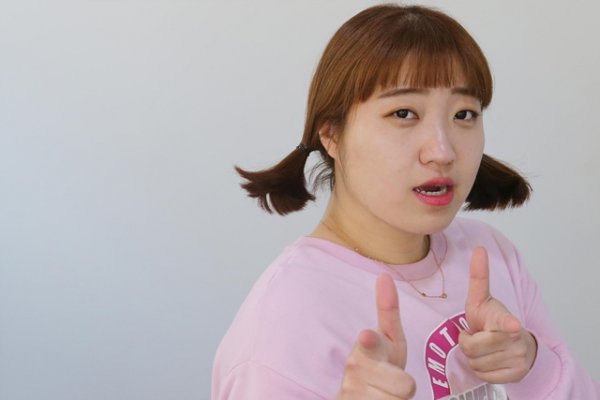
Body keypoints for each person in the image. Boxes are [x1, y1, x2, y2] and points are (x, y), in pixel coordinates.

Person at [212, 4, 599, 399]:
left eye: (464, 114)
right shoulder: (284, 321)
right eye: (403, 113)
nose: (443, 151)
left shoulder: (491, 254)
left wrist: (534, 367)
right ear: (331, 135)